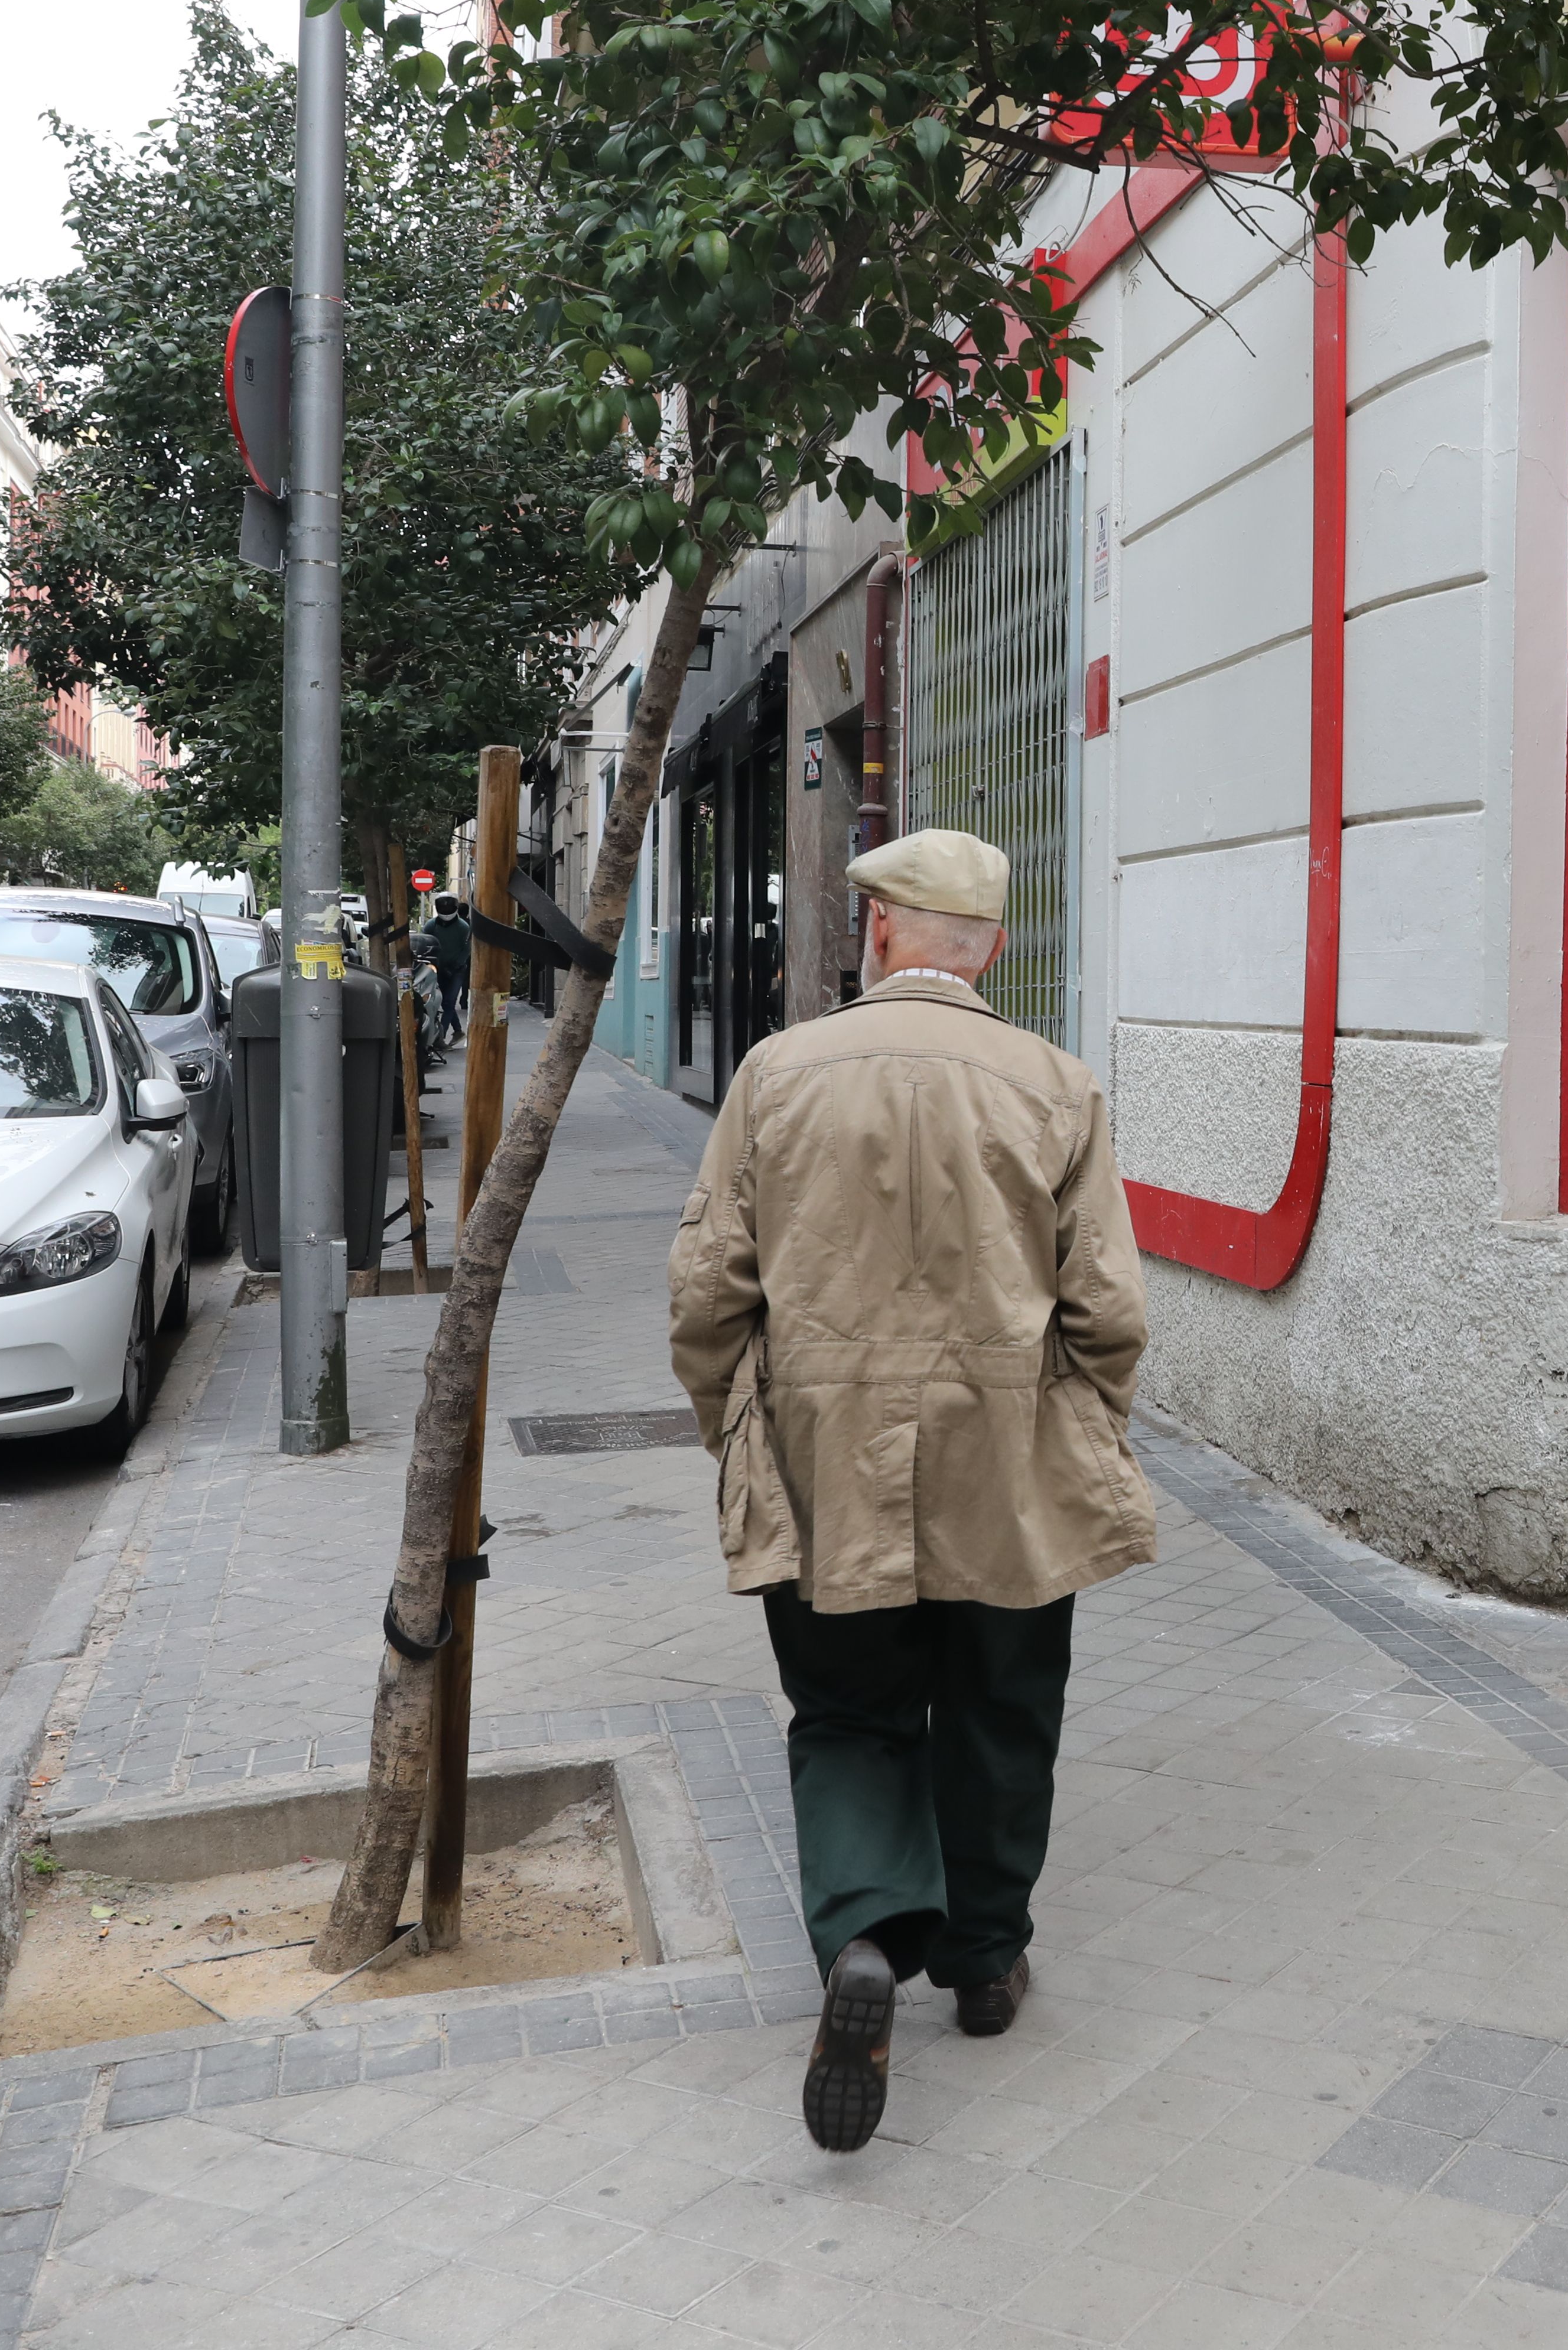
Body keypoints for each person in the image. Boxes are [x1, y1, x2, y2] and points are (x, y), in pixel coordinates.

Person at [667, 829, 1153, 2152]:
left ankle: (869, 1934)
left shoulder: (775, 1075)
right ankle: (988, 1963)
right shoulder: (1057, 1084)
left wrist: (739, 1427)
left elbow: (709, 1290)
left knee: (848, 1707)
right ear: (991, 947)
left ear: (880, 934)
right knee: (1004, 1703)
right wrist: (1076, 1425)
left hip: (830, 1453)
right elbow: (1108, 1307)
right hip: (1009, 1455)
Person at [418, 894, 470, 1051]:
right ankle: (458, 1031)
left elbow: (467, 949)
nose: (446, 909)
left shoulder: (463, 927)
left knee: (448, 1002)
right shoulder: (431, 925)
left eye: (449, 906)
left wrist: (457, 965)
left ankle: (441, 1037)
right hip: (437, 969)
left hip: (457, 970)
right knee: (443, 1002)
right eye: (443, 906)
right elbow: (424, 942)